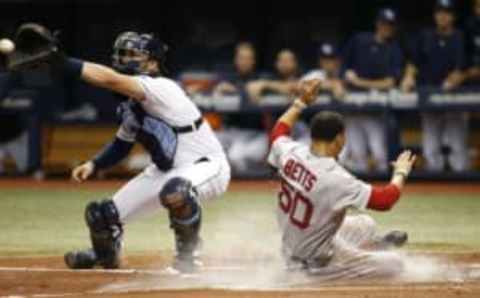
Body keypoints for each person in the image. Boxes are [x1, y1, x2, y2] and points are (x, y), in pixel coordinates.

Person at [35, 31, 232, 272]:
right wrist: (94, 164)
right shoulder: (130, 105)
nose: (123, 60)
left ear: (152, 63)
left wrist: (62, 62)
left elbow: (111, 80)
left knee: (176, 192)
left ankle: (187, 258)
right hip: (166, 170)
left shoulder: (161, 87)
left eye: (132, 55)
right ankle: (105, 255)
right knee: (101, 215)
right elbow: (122, 144)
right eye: (121, 54)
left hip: (207, 165)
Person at [267, 79, 416, 280]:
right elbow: (385, 199)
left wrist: (300, 102)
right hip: (317, 262)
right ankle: (363, 256)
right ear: (339, 139)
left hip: (296, 242)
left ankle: (368, 248)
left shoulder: (290, 152)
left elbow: (279, 131)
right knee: (395, 264)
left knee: (366, 223)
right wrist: (401, 172)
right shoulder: (335, 178)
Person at [401, 0, 469, 172]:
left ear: (453, 16)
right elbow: (413, 62)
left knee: (457, 143)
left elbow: (468, 67)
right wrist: (408, 77)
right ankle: (435, 184)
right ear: (435, 15)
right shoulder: (426, 36)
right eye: (439, 12)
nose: (442, 16)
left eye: (446, 12)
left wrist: (461, 75)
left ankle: (461, 184)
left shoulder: (461, 37)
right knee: (431, 144)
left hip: (455, 96)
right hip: (429, 94)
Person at [341, 8, 404, 173]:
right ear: (377, 23)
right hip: (353, 105)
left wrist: (359, 82)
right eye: (384, 23)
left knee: (380, 155)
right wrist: (345, 78)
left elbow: (390, 82)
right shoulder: (359, 40)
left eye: (390, 25)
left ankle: (385, 191)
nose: (387, 27)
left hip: (376, 109)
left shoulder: (394, 49)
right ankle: (360, 195)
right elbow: (343, 67)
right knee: (357, 155)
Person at [213, 42, 268, 174]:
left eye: (248, 58)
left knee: (235, 156)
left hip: (254, 134)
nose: (244, 61)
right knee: (208, 144)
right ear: (236, 60)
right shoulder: (228, 77)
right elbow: (214, 96)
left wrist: (238, 90)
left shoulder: (261, 79)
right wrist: (219, 90)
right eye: (241, 58)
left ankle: (249, 188)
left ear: (253, 61)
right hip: (230, 131)